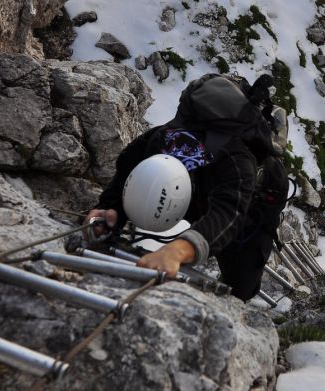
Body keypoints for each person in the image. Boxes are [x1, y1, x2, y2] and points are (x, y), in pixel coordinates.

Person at [85, 74, 289, 301]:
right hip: (203, 189)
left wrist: (177, 250)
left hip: (256, 204)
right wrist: (112, 210)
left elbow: (228, 213)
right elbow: (126, 173)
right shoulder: (157, 141)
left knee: (241, 285)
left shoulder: (236, 161)